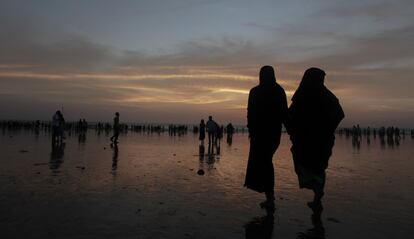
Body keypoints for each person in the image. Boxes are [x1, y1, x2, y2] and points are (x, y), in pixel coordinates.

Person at [287, 67, 344, 210]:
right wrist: (327, 129)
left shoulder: (302, 94)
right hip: (323, 140)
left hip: (305, 140)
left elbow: (290, 115)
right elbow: (339, 114)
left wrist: (294, 129)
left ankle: (316, 191)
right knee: (319, 167)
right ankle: (317, 197)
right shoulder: (328, 96)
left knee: (302, 162)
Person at [244, 65, 288, 210]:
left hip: (259, 134)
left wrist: (251, 130)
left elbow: (250, 113)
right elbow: (285, 114)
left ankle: (270, 198)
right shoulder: (279, 91)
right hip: (274, 134)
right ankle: (269, 197)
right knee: (266, 162)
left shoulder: (255, 92)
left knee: (265, 163)